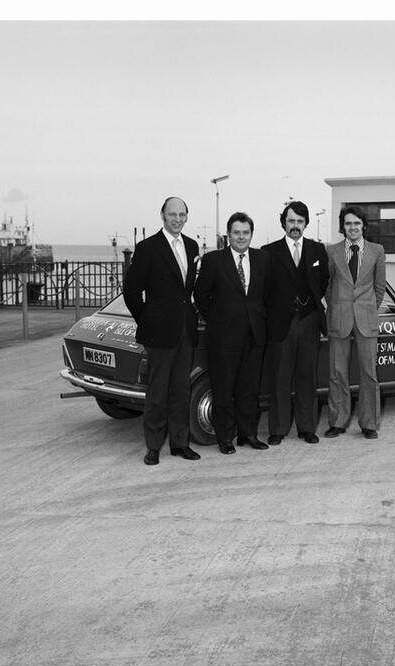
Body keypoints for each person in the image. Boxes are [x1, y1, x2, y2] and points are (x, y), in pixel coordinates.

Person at [123, 197, 201, 465]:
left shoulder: (192, 246)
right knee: (156, 392)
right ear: (162, 216)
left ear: (187, 216)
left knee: (181, 390)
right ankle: (154, 446)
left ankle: (180, 443)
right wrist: (148, 321)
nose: (177, 219)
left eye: (182, 214)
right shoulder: (148, 248)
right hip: (158, 333)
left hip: (185, 331)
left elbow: (187, 291)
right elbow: (131, 292)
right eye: (172, 214)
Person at [193, 212, 271, 454]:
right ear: (229, 235)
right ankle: (225, 438)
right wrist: (217, 320)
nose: (241, 237)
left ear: (251, 234)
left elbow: (266, 295)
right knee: (223, 390)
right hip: (223, 337)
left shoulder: (262, 259)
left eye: (245, 232)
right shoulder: (214, 260)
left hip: (254, 335)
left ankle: (247, 434)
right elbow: (201, 295)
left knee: (249, 389)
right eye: (236, 233)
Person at [261, 200, 329, 445]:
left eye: (300, 221)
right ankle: (277, 429)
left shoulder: (317, 251)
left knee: (307, 376)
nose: (296, 226)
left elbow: (323, 282)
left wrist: (308, 305)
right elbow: (265, 288)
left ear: (306, 224)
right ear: (284, 222)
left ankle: (307, 427)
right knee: (279, 377)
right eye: (291, 221)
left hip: (309, 320)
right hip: (281, 323)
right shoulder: (268, 251)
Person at [324, 204, 387, 440]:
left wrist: (367, 307)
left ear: (364, 226)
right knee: (337, 372)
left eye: (357, 223)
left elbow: (379, 288)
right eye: (348, 223)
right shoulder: (332, 252)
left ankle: (369, 423)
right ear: (343, 226)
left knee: (369, 373)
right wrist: (339, 306)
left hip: (366, 320)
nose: (352, 228)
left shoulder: (377, 251)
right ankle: (338, 421)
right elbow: (329, 287)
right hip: (339, 318)